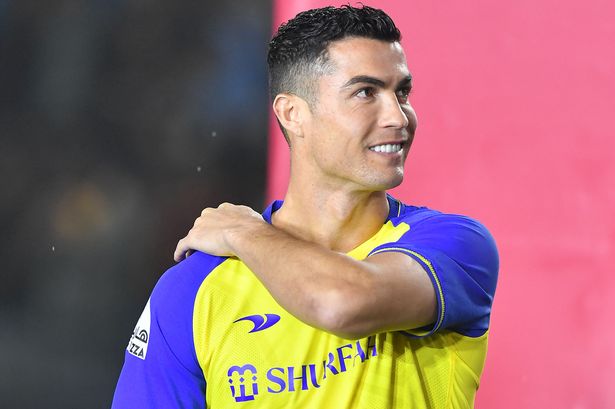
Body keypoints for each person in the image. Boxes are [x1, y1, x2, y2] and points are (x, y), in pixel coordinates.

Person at [112, 5, 498, 408]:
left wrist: (245, 231)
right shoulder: (193, 289)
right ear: (292, 113)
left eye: (401, 92)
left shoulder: (454, 246)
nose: (398, 117)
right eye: (366, 93)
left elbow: (341, 304)